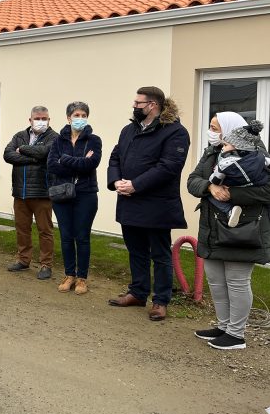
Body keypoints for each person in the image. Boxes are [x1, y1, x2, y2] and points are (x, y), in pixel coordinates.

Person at [187, 111, 270, 349]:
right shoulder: (212, 151)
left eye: (215, 127)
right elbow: (192, 181)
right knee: (215, 279)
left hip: (244, 228)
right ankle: (223, 326)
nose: (212, 131)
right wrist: (210, 188)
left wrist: (232, 193)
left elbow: (266, 191)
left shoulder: (255, 152)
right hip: (213, 226)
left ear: (231, 128)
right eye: (211, 127)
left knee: (237, 280)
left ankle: (236, 334)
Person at [107, 86, 189, 321]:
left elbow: (169, 167)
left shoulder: (174, 132)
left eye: (138, 103)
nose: (134, 107)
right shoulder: (129, 130)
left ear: (153, 105)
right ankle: (138, 292)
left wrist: (136, 184)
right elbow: (115, 156)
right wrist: (116, 181)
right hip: (129, 201)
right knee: (136, 251)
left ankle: (161, 300)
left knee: (160, 254)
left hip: (157, 204)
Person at [47, 102, 102, 295]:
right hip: (62, 193)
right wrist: (79, 161)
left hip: (86, 194)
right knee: (66, 236)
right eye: (76, 114)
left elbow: (91, 164)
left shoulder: (94, 140)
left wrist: (66, 159)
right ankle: (69, 275)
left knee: (82, 236)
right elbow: (52, 165)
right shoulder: (57, 141)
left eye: (84, 114)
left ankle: (82, 278)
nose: (80, 118)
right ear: (69, 118)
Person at [3, 105, 58, 279]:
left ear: (49, 120)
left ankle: (45, 265)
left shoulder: (54, 137)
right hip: (20, 192)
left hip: (42, 192)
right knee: (22, 228)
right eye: (38, 118)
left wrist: (24, 150)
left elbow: (46, 153)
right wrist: (33, 157)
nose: (41, 122)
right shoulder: (19, 135)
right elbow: (7, 155)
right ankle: (23, 260)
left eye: (44, 118)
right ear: (30, 120)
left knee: (45, 230)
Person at [207, 121, 269, 227]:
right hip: (257, 182)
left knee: (209, 196)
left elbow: (216, 178)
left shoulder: (226, 162)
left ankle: (229, 210)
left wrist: (212, 184)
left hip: (254, 220)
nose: (223, 147)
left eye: (214, 128)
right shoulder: (259, 156)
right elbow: (193, 181)